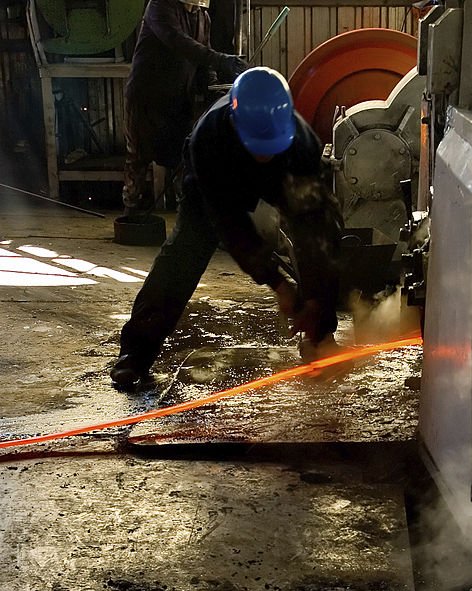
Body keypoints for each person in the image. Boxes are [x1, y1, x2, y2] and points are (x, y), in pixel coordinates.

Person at [111, 67, 343, 390]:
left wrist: (318, 300)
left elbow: (320, 231)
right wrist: (279, 284)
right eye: (257, 146)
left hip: (283, 171)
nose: (264, 153)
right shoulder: (208, 141)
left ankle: (320, 337)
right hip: (217, 173)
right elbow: (233, 228)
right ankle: (136, 353)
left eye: (269, 145)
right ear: (236, 126)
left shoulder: (302, 145)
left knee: (318, 236)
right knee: (185, 253)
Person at [123, 0, 247, 218]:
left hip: (179, 98)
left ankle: (187, 218)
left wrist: (214, 88)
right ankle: (132, 215)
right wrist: (219, 60)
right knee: (139, 157)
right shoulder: (159, 6)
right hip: (147, 96)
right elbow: (178, 41)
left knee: (184, 157)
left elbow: (202, 59)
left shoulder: (202, 17)